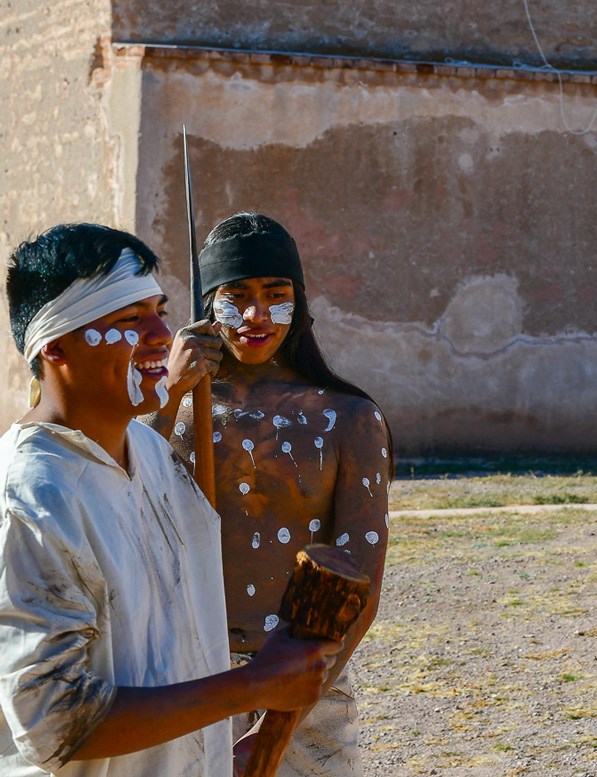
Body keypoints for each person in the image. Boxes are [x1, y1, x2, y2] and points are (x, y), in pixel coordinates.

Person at [0, 223, 338, 777]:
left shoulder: (150, 455)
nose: (163, 334)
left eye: (159, 309)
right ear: (55, 345)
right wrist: (251, 686)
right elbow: (53, 722)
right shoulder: (33, 497)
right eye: (129, 320)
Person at [155, 212, 391, 776]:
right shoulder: (173, 409)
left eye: (275, 295)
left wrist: (278, 719)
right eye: (237, 296)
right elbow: (114, 496)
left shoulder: (349, 418)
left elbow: (360, 588)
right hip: (185, 676)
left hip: (304, 681)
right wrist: (167, 391)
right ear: (208, 306)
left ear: (299, 301)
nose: (258, 315)